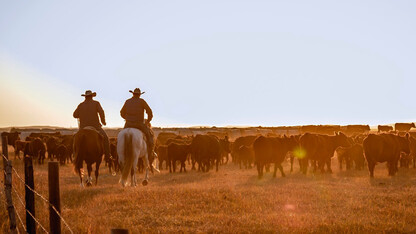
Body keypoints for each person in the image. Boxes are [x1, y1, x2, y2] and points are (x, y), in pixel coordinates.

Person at [73, 90, 110, 160]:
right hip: (95, 127)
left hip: (83, 128)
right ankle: (108, 156)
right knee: (106, 139)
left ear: (85, 97)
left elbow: (75, 115)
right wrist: (103, 121)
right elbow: (101, 112)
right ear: (92, 96)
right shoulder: (96, 103)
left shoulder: (80, 105)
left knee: (75, 139)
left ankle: (75, 155)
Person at [120, 88, 155, 158]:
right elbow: (149, 112)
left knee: (120, 139)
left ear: (133, 94)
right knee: (149, 136)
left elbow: (121, 112)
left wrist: (127, 118)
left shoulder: (127, 101)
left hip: (128, 124)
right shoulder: (142, 101)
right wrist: (148, 121)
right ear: (139, 95)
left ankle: (117, 155)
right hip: (139, 124)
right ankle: (151, 153)